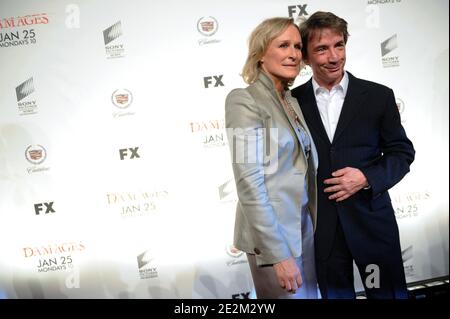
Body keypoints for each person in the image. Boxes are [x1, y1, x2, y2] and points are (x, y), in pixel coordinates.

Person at [291, 11, 415, 299]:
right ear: (306, 57)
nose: (334, 57)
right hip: (324, 232)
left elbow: (401, 152)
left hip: (372, 225)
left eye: (339, 45)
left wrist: (365, 177)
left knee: (385, 295)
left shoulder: (377, 96)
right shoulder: (293, 102)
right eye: (322, 49)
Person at [225, 17, 319, 299]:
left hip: (305, 230)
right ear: (260, 53)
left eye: (298, 46)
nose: (293, 54)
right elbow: (248, 183)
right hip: (273, 237)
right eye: (283, 45)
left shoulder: (292, 101)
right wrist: (278, 255)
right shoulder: (243, 100)